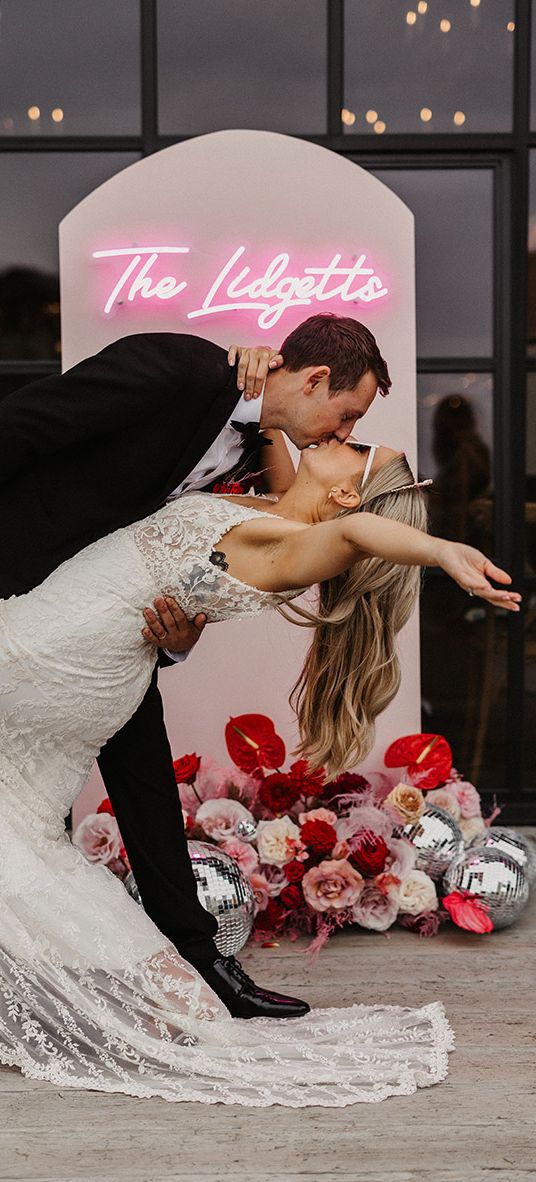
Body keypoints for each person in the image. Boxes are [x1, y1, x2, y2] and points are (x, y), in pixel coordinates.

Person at [0, 438, 519, 1105]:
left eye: (355, 444)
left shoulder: (288, 546)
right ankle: (171, 990)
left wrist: (440, 550)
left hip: (43, 664)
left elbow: (359, 531)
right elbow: (277, 417)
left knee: (22, 844)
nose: (339, 433)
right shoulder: (274, 503)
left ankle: (171, 996)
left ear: (345, 494)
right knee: (24, 842)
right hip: (66, 663)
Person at [0, 314, 389, 1018]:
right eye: (347, 414)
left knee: (146, 780)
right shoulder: (178, 369)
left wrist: (180, 636)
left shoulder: (253, 455)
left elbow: (198, 561)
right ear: (315, 378)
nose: (340, 433)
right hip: (20, 593)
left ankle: (206, 964)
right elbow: (24, 426)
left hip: (107, 634)